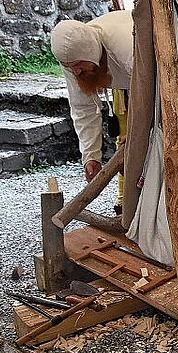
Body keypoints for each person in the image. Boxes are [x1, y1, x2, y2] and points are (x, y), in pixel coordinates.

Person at [50, 10, 133, 211]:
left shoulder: (125, 45)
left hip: (157, 80)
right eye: (70, 67)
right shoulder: (73, 60)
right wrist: (91, 157)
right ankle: (132, 209)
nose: (76, 72)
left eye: (79, 66)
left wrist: (138, 132)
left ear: (92, 52)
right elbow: (83, 108)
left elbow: (157, 93)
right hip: (128, 88)